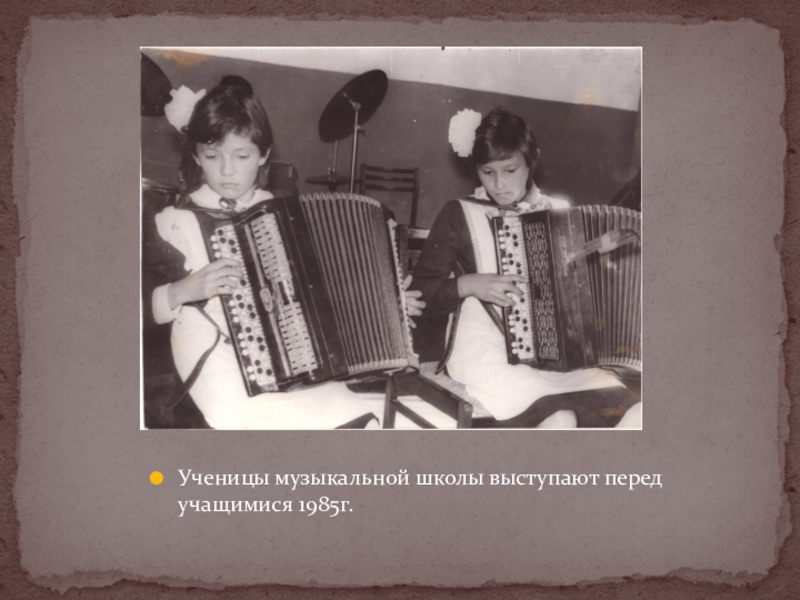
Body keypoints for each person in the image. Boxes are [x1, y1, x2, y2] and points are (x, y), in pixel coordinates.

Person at [142, 75, 424, 429]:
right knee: (255, 422)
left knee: (349, 417)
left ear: (264, 156)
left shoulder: (287, 214)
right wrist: (183, 290)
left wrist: (387, 305)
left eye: (242, 156)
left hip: (293, 357)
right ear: (196, 156)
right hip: (214, 357)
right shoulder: (175, 222)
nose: (227, 170)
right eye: (212, 156)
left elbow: (326, 288)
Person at [411, 107, 641, 429]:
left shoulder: (559, 212)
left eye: (510, 170)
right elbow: (419, 293)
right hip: (483, 352)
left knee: (637, 410)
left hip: (558, 358)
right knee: (559, 418)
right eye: (487, 172)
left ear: (530, 162)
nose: (499, 184)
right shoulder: (459, 213)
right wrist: (467, 285)